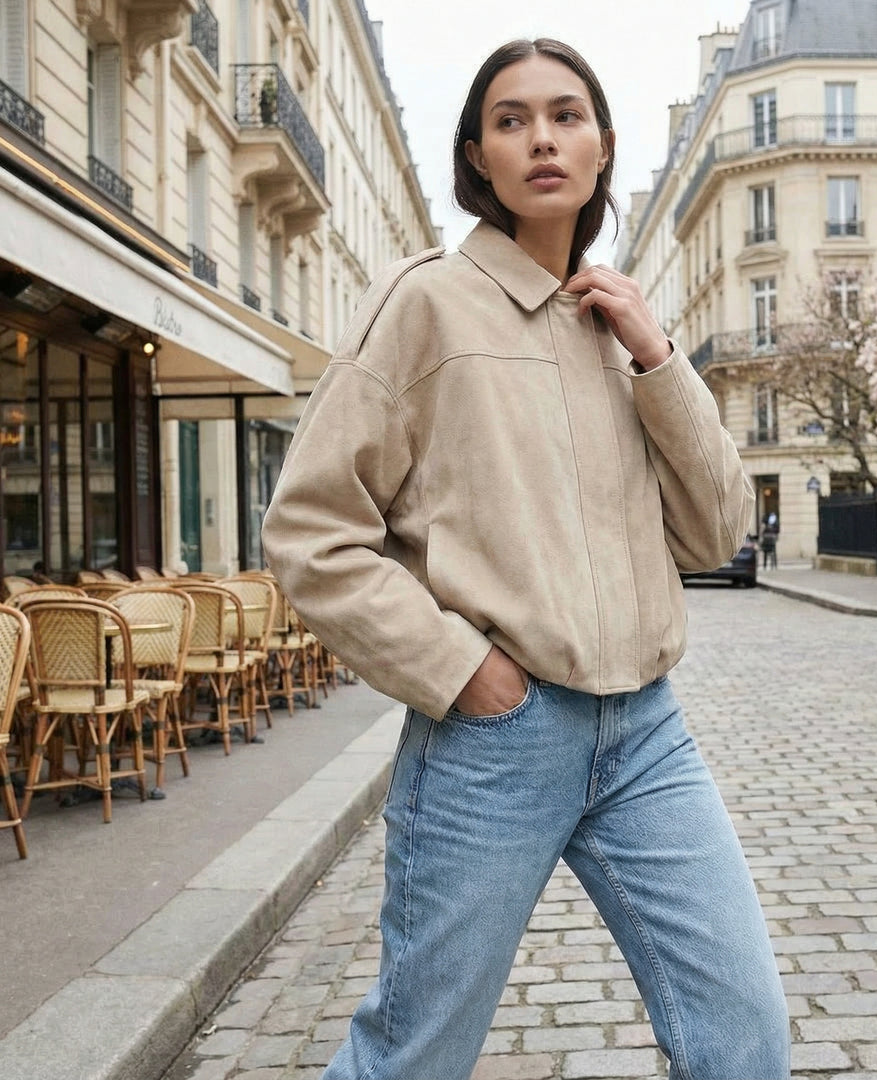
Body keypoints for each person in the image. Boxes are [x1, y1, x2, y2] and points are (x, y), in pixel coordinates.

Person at [262, 38, 789, 1080]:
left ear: (602, 147)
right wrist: (464, 671)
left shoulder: (616, 327)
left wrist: (657, 355)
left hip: (646, 736)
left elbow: (715, 531)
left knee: (744, 1040)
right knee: (416, 1055)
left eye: (565, 115)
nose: (542, 138)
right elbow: (311, 530)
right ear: (479, 158)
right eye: (511, 121)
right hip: (495, 742)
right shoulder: (426, 304)